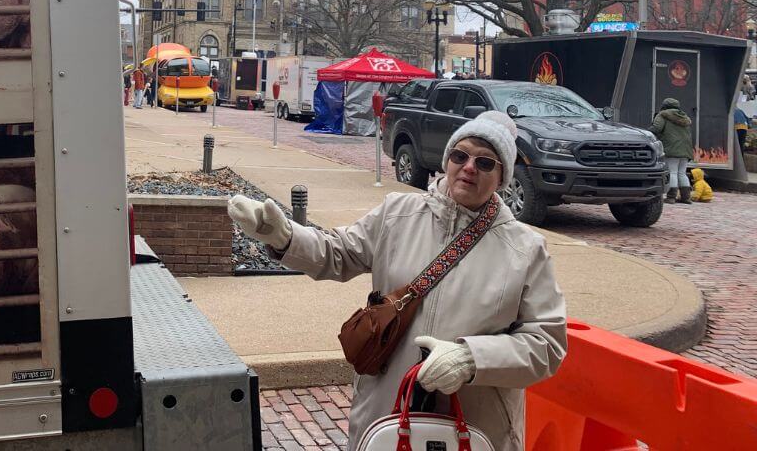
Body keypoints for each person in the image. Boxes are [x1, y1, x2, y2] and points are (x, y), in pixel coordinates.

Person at [228, 111, 566, 451]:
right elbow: (338, 252)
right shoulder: (396, 214)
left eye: (485, 162)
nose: (468, 167)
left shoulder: (525, 250)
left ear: (503, 175)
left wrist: (472, 358)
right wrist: (284, 237)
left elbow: (547, 345)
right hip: (386, 415)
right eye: (460, 155)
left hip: (477, 428)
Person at [650, 98, 693, 204]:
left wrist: (646, 132)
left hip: (672, 147)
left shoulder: (662, 115)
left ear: (664, 105)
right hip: (686, 149)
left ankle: (671, 197)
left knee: (672, 172)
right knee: (682, 173)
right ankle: (686, 197)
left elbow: (656, 128)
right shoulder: (684, 117)